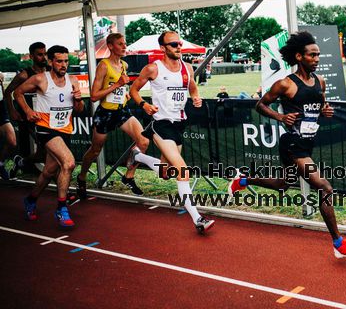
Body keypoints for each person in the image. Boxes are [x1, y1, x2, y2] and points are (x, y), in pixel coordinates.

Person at [228, 31, 346, 259]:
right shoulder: (285, 84)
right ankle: (338, 243)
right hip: (293, 145)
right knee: (324, 187)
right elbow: (260, 105)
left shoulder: (320, 81)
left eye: (318, 55)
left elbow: (321, 105)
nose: (317, 59)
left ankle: (243, 179)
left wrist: (325, 110)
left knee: (282, 185)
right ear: (299, 56)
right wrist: (280, 117)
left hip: (307, 142)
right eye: (312, 55)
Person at [130, 31, 214, 233]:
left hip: (179, 124)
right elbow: (132, 90)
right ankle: (197, 219)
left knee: (167, 173)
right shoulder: (152, 69)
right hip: (161, 124)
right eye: (174, 44)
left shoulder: (187, 68)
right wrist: (144, 105)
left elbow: (192, 87)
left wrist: (196, 97)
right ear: (163, 48)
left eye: (180, 43)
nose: (179, 47)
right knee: (182, 169)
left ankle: (139, 156)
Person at [14, 45, 84, 227]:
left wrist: (78, 99)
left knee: (49, 171)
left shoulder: (73, 80)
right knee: (68, 163)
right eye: (59, 61)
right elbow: (17, 92)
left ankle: (30, 199)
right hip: (45, 128)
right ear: (51, 61)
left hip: (64, 129)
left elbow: (80, 109)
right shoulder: (40, 79)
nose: (64, 65)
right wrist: (28, 111)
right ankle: (61, 209)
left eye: (66, 61)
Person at [76, 33, 149, 199]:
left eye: (125, 43)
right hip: (105, 113)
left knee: (143, 140)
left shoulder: (124, 65)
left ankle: (128, 176)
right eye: (120, 44)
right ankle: (82, 177)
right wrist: (117, 85)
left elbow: (120, 88)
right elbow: (94, 96)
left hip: (121, 111)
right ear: (110, 46)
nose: (124, 46)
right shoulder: (103, 65)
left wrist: (124, 93)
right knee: (95, 150)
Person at [5, 42, 50, 178]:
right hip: (28, 115)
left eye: (45, 54)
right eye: (40, 54)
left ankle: (22, 162)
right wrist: (12, 110)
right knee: (44, 146)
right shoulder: (24, 75)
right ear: (31, 56)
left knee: (45, 149)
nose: (43, 57)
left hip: (46, 114)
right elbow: (8, 92)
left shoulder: (49, 72)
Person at [0, 72, 17, 179]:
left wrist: (1, 83)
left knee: (12, 141)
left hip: (0, 108)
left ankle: (0, 163)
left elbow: (4, 93)